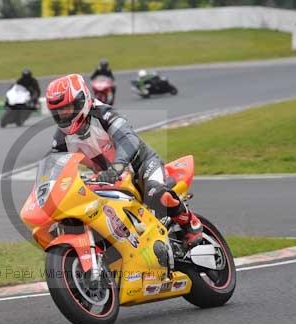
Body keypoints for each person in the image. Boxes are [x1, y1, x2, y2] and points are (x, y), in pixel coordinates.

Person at [46, 74, 202, 253]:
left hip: (141, 166)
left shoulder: (104, 114)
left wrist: (117, 167)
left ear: (82, 100)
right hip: (108, 180)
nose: (63, 114)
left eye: (67, 108)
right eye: (58, 111)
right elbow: (54, 166)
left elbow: (129, 141)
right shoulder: (61, 138)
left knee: (154, 192)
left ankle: (191, 223)